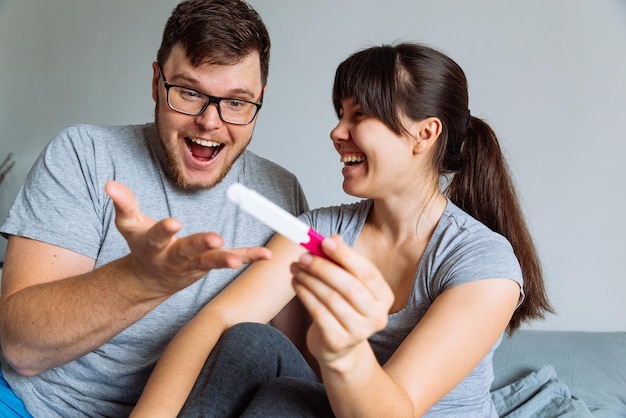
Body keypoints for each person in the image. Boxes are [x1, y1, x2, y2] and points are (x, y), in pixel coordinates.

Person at [130, 42, 554, 417]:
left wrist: (343, 350)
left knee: (282, 401)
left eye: (360, 115)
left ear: (424, 134)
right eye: (340, 114)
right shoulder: (320, 230)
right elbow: (217, 321)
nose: (336, 132)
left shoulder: (483, 263)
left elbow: (396, 411)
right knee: (250, 343)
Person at [0, 1, 308, 417]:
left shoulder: (281, 194)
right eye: (190, 92)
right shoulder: (84, 155)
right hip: (35, 405)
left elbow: (285, 355)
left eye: (237, 102)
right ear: (156, 83)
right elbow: (21, 348)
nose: (210, 122)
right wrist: (143, 279)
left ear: (260, 100)